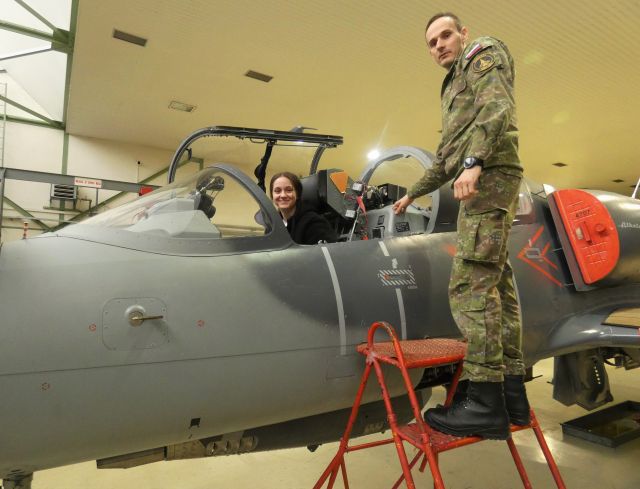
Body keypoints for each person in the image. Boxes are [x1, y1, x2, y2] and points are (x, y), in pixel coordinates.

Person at [392, 12, 530, 440]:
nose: (439, 46)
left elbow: (497, 108)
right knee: (496, 286)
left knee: (470, 287)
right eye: (432, 43)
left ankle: (483, 402)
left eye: (445, 35)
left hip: (487, 182)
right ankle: (509, 395)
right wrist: (412, 194)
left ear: (463, 33)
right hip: (487, 181)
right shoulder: (453, 83)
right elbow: (446, 155)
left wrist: (474, 163)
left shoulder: (481, 54)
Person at [269, 172, 337, 245]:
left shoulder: (314, 223)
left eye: (289, 190)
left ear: (297, 194)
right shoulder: (273, 225)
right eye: (277, 191)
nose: (283, 195)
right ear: (272, 195)